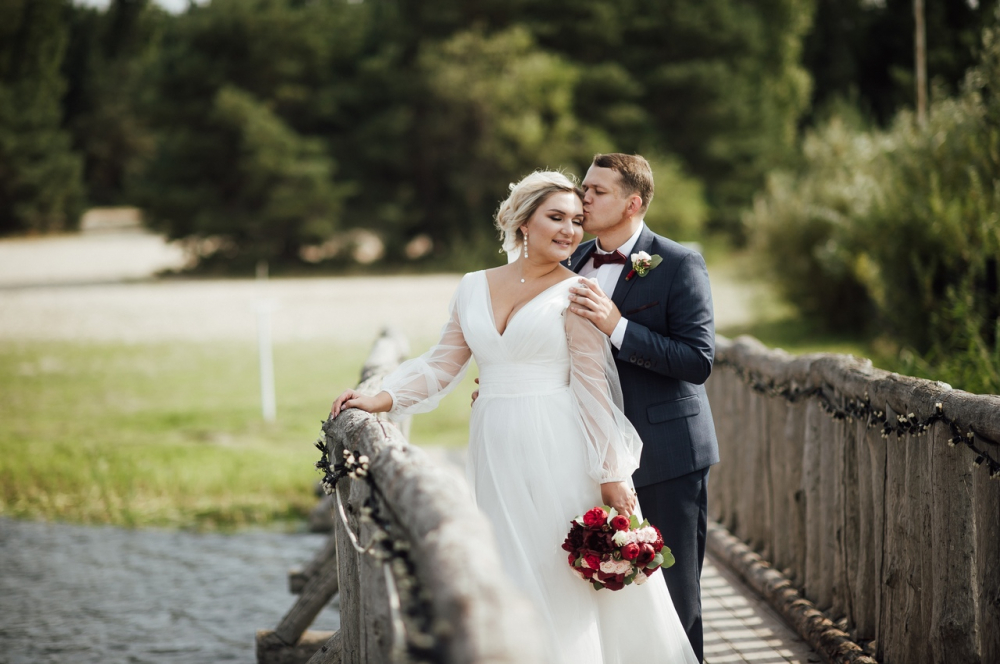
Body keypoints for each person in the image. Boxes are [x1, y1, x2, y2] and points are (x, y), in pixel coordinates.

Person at [331, 171, 698, 664]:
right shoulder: (472, 286)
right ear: (523, 222)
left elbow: (591, 387)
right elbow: (442, 363)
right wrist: (381, 397)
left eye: (576, 220)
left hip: (559, 440)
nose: (570, 230)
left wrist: (611, 473)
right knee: (510, 557)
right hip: (494, 440)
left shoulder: (579, 291)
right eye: (556, 217)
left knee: (559, 567)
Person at [566, 153, 719, 662]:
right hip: (585, 453)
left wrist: (618, 327)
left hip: (665, 454)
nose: (584, 198)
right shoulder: (569, 260)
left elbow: (697, 361)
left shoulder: (678, 263)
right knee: (601, 595)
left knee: (674, 596)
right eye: (584, 187)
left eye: (598, 191)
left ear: (632, 203)